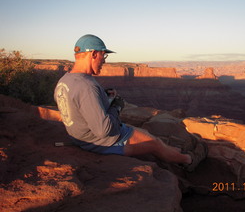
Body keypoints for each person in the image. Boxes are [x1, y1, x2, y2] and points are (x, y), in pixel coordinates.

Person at [54, 34, 207, 171]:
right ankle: (189, 160)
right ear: (93, 54)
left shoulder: (65, 80)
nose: (104, 62)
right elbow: (103, 130)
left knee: (147, 135)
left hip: (79, 136)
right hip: (99, 141)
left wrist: (103, 97)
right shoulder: (87, 86)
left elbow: (78, 106)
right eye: (103, 56)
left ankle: (174, 152)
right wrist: (117, 106)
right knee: (155, 144)